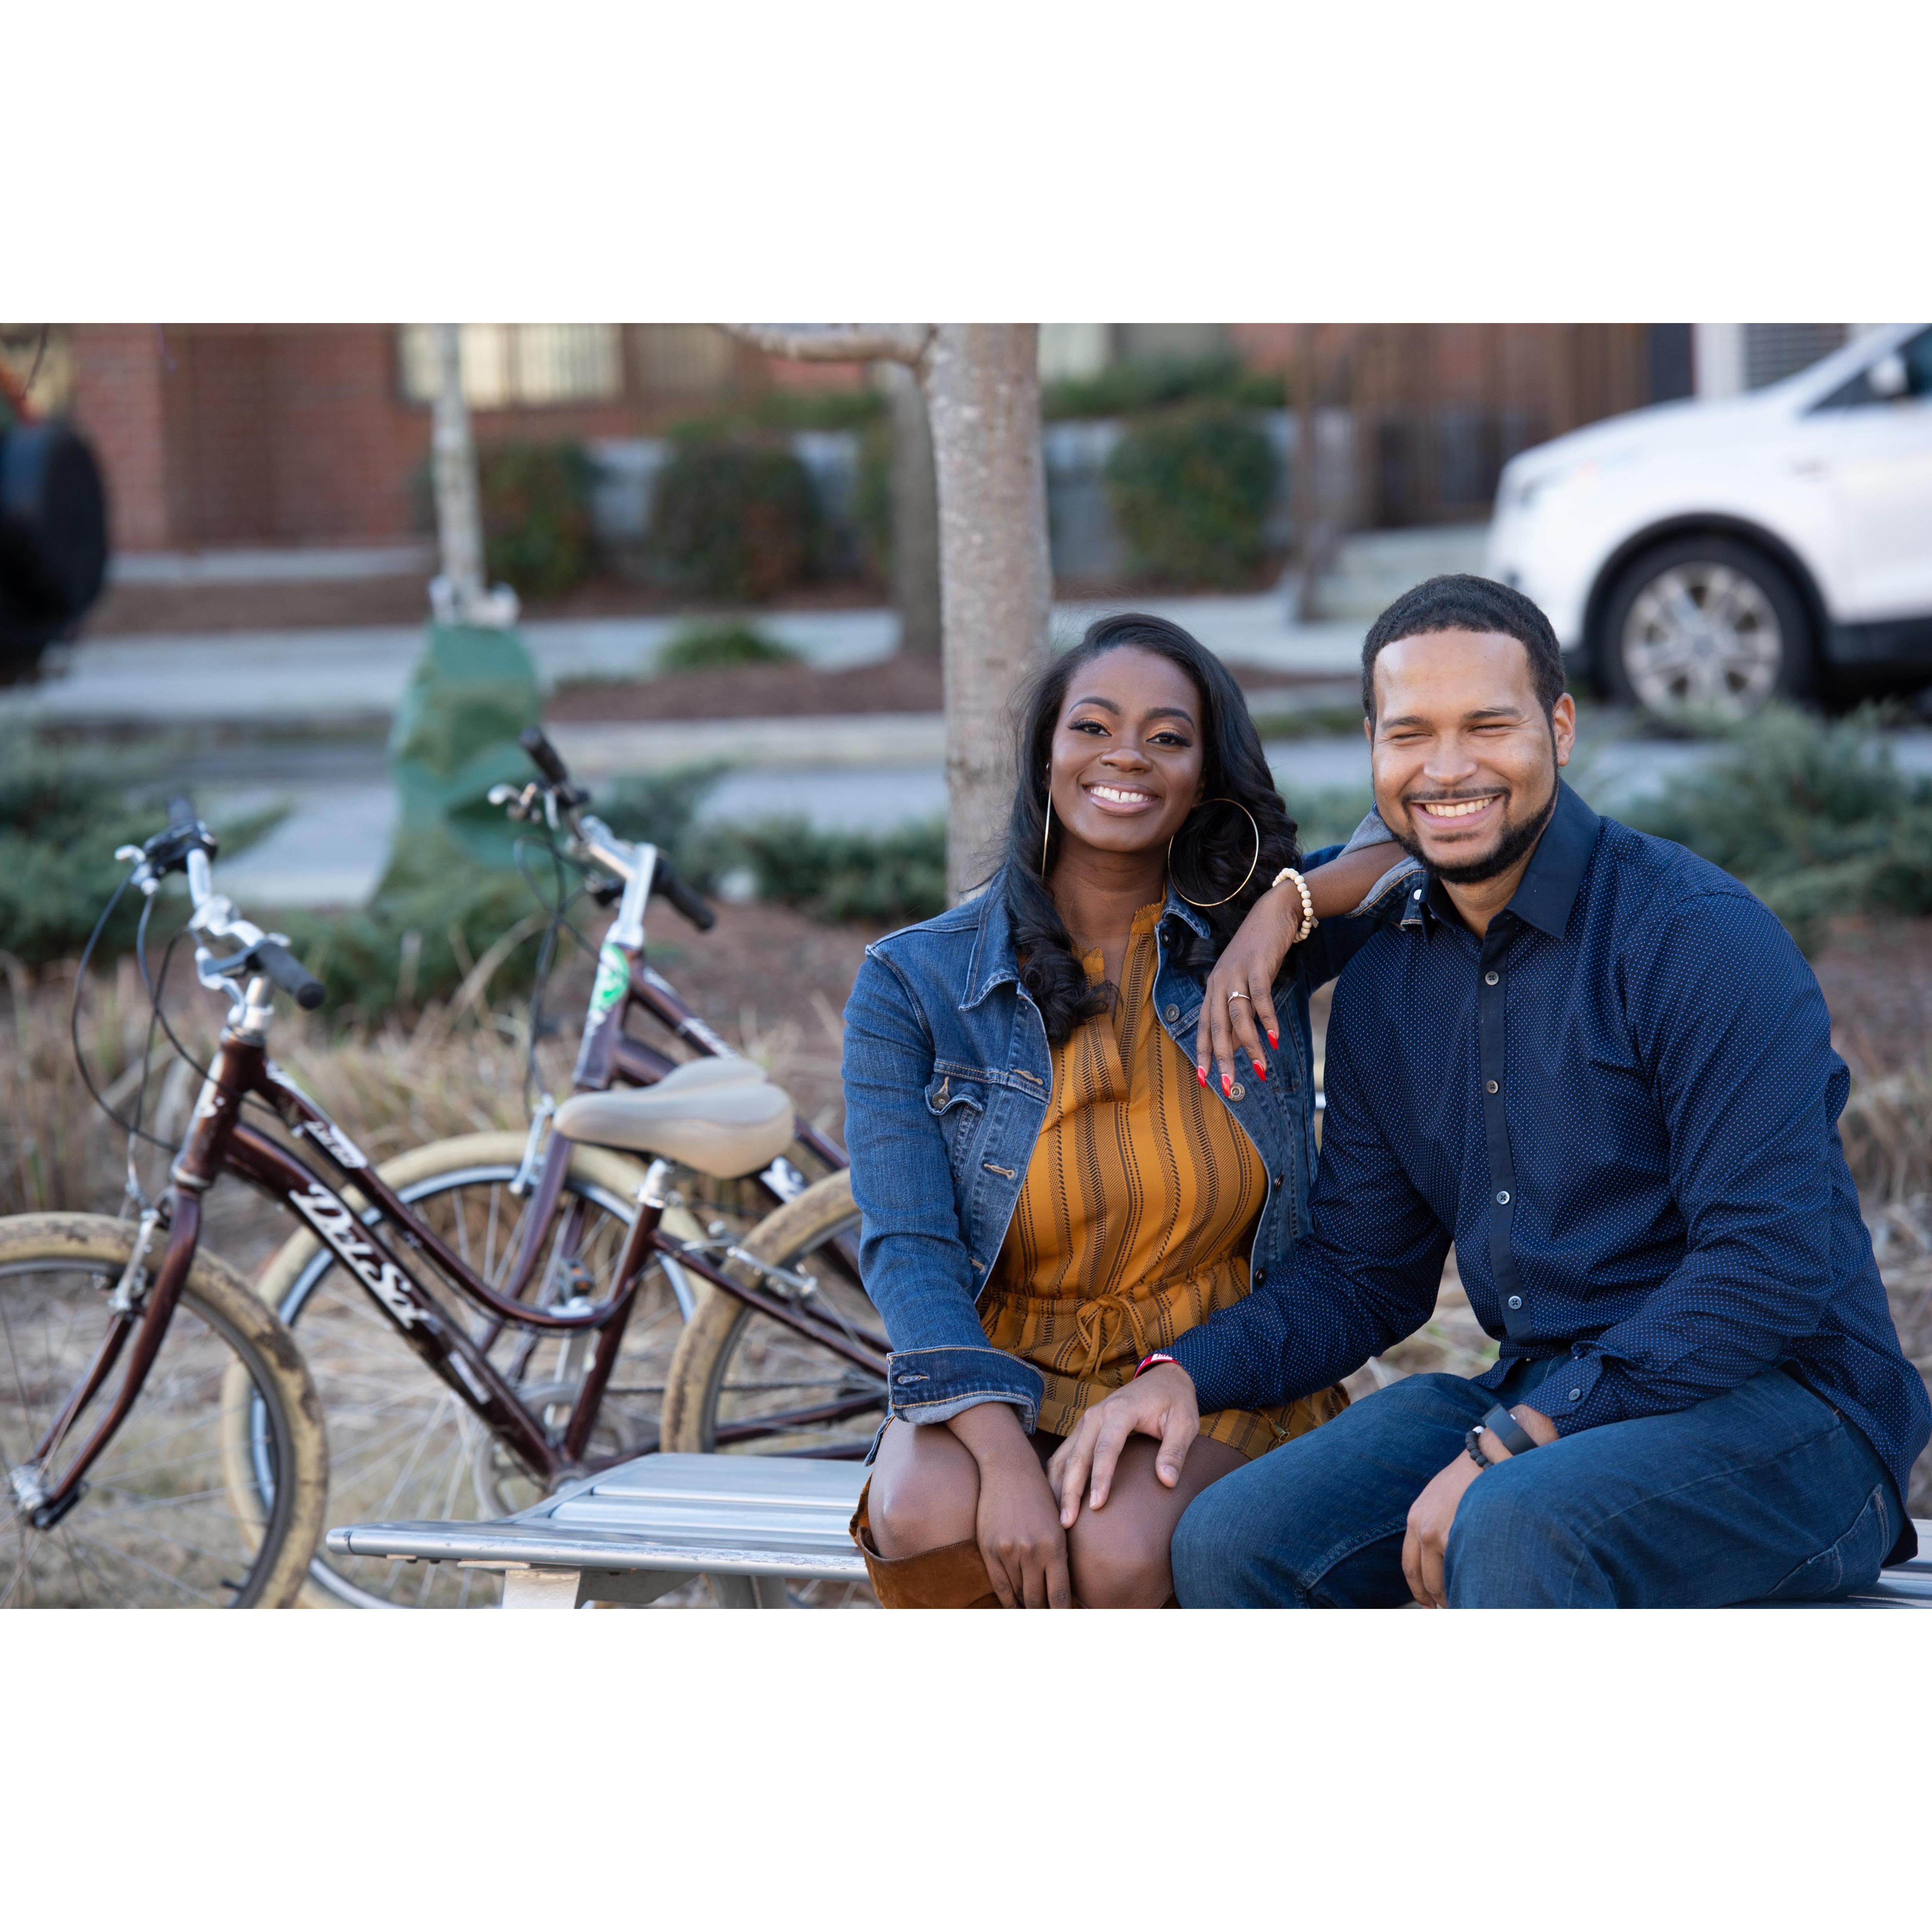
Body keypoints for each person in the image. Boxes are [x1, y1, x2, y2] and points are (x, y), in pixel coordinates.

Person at [1054, 574, 1930, 1609]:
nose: (1449, 766)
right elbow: (1362, 1273)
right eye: (1412, 732)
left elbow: (1766, 1267)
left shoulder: (1693, 937)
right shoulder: (1387, 979)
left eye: (1488, 725)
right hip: (1543, 1392)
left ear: (1558, 727)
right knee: (1234, 1540)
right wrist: (1182, 1376)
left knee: (1514, 1523)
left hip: (1790, 1413)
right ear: (1372, 745)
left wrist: (1518, 1439)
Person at [839, 612, 1419, 1607]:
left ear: (1205, 775)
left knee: (1112, 1541)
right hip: (1003, 1361)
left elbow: (1417, 827)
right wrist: (1004, 1454)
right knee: (928, 1509)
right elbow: (909, 1248)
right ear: (1045, 755)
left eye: (1167, 737)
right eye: (1093, 727)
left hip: (1206, 1364)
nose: (1127, 759)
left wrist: (1284, 910)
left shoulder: (1249, 955)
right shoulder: (915, 981)